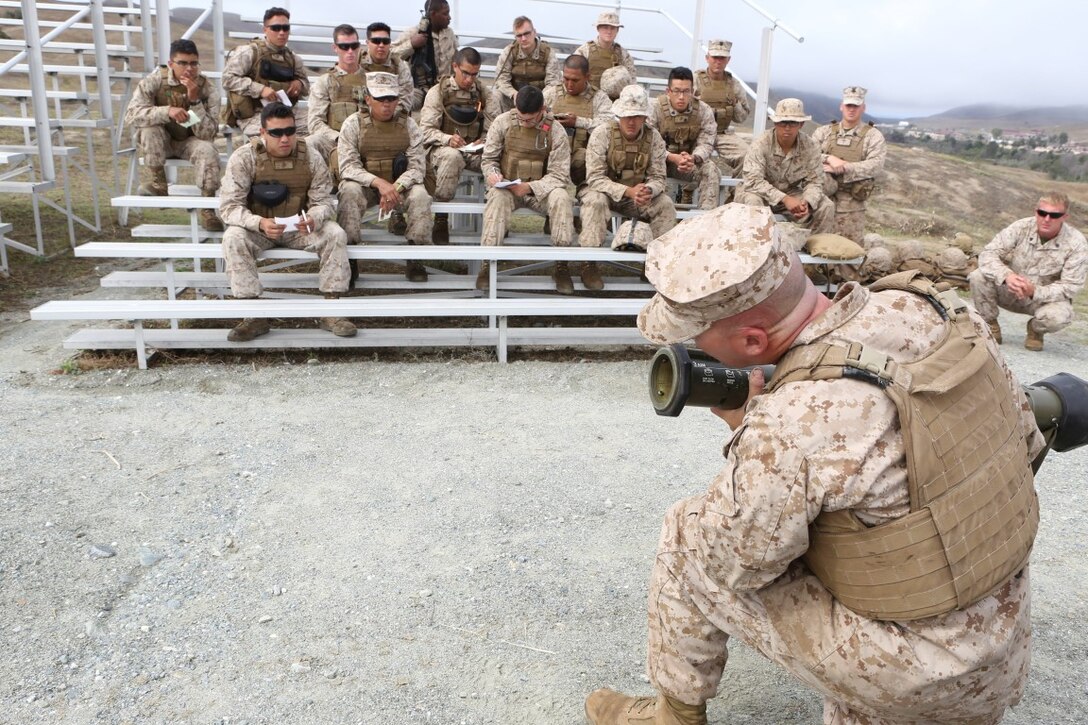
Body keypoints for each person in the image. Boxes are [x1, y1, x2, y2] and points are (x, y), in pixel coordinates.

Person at [586, 202, 1044, 725]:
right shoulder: (937, 311)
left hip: (916, 670)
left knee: (687, 538)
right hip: (1000, 643)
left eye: (695, 335)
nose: (692, 346)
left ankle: (673, 715)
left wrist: (748, 436)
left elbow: (734, 561)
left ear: (753, 340)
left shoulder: (790, 425)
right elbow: (1025, 446)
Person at [219, 102, 353, 342]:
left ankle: (332, 311)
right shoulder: (244, 157)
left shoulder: (310, 156)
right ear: (262, 133)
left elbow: (323, 201)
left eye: (290, 131)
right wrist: (258, 222)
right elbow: (229, 208)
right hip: (260, 228)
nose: (284, 139)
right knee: (232, 237)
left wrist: (314, 217)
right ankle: (253, 315)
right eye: (276, 133)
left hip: (298, 228)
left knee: (335, 234)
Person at [578, 84, 676, 291]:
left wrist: (648, 190)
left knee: (665, 204)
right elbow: (595, 177)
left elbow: (659, 177)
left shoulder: (653, 138)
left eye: (637, 116)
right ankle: (589, 263)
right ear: (619, 115)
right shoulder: (602, 133)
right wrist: (627, 191)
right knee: (594, 201)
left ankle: (654, 264)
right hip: (605, 192)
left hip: (638, 196)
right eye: (627, 116)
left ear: (644, 117)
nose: (631, 121)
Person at [338, 72, 434, 283]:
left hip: (399, 185)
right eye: (380, 98)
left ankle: (415, 257)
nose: (386, 104)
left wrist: (396, 187)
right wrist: (380, 184)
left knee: (420, 196)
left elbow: (417, 168)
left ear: (398, 100)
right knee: (349, 191)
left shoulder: (409, 125)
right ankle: (349, 257)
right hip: (366, 185)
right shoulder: (353, 124)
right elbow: (347, 167)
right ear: (368, 98)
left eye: (391, 98)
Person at [478, 85, 574, 293]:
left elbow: (559, 174)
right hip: (508, 188)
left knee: (561, 197)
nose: (524, 123)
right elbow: (489, 159)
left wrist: (530, 187)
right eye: (521, 118)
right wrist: (494, 175)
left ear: (542, 109)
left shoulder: (556, 131)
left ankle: (561, 264)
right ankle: (487, 264)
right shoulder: (502, 122)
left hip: (539, 190)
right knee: (496, 199)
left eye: (529, 119)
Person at [969, 191, 1088, 351]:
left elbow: (1071, 285)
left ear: (1064, 217)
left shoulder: (1077, 243)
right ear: (1036, 211)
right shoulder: (1021, 227)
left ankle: (1035, 330)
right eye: (1042, 213)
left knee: (1060, 317)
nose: (1047, 219)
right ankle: (990, 324)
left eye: (1054, 215)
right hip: (1009, 290)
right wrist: (1007, 276)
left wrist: (1035, 291)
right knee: (978, 276)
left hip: (1042, 300)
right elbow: (988, 254)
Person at [124, 38, 222, 231]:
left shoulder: (207, 89)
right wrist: (166, 111)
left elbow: (208, 133)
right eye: (183, 63)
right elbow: (131, 115)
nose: (189, 68)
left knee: (208, 149)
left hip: (190, 141)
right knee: (149, 130)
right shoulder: (154, 82)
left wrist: (194, 102)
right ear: (171, 64)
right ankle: (159, 185)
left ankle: (208, 210)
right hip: (162, 140)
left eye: (194, 63)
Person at [420, 47, 498, 244]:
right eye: (465, 73)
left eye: (474, 74)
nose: (470, 79)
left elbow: (496, 129)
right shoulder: (438, 93)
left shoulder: (484, 94)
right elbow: (425, 131)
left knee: (495, 160)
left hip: (473, 149)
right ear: (455, 66)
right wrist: (447, 139)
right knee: (451, 157)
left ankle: (495, 217)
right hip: (443, 149)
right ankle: (441, 217)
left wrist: (485, 141)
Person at [736, 98, 834, 233]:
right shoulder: (761, 144)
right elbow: (753, 181)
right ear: (775, 123)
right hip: (758, 194)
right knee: (753, 203)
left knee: (826, 206)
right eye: (783, 122)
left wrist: (807, 202)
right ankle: (755, 247)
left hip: (790, 193)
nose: (787, 128)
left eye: (793, 123)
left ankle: (814, 247)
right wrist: (785, 199)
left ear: (801, 124)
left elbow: (815, 181)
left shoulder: (810, 146)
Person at [810, 86, 887, 242]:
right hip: (821, 203)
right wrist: (828, 158)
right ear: (841, 106)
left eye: (856, 106)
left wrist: (843, 167)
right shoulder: (823, 132)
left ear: (863, 108)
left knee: (848, 254)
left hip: (852, 206)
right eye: (848, 105)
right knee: (814, 247)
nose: (851, 110)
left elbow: (876, 165)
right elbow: (807, 156)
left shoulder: (873, 136)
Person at [222, 7, 310, 138]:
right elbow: (227, 79)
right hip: (254, 114)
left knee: (313, 130)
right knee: (274, 136)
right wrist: (260, 89)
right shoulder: (249, 52)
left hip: (286, 112)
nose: (281, 32)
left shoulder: (293, 58)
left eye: (285, 28)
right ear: (265, 29)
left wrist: (299, 84)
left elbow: (306, 86)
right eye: (276, 28)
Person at [649, 67, 719, 210]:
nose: (681, 96)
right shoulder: (654, 108)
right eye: (676, 91)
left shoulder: (703, 110)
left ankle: (704, 219)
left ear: (692, 91)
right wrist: (671, 157)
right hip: (657, 162)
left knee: (711, 169)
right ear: (668, 91)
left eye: (686, 91)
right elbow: (648, 143)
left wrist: (693, 158)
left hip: (687, 162)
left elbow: (707, 141)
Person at [542, 54, 612, 186]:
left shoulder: (599, 98)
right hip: (552, 154)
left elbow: (608, 126)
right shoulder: (551, 94)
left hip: (584, 159)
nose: (569, 84)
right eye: (566, 79)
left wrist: (578, 122)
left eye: (575, 80)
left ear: (587, 77)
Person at [306, 24, 366, 159]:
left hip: (367, 140)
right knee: (310, 143)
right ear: (335, 48)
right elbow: (315, 122)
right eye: (344, 47)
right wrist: (338, 138)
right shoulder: (325, 82)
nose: (350, 51)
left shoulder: (371, 79)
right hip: (335, 141)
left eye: (354, 46)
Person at [693, 39, 749, 183]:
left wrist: (734, 103)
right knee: (693, 158)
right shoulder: (695, 80)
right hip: (698, 133)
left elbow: (741, 118)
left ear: (728, 60)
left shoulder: (734, 85)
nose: (718, 61)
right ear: (707, 58)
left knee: (749, 157)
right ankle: (687, 192)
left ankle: (735, 195)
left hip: (722, 133)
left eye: (722, 58)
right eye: (714, 57)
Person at [391, 0, 460, 111]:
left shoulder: (449, 34)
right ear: (433, 14)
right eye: (445, 13)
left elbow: (457, 59)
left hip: (445, 88)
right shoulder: (414, 32)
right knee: (401, 106)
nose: (449, 17)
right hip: (420, 90)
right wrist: (412, 44)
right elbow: (391, 55)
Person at [491, 16, 562, 115]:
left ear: (534, 32)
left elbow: (553, 83)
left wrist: (538, 99)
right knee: (495, 95)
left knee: (556, 95)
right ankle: (493, 128)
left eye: (527, 33)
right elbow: (501, 79)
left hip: (541, 99)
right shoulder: (509, 52)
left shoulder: (548, 53)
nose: (523, 39)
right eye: (519, 35)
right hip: (515, 98)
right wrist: (514, 94)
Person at [573, 11, 637, 100]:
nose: (609, 31)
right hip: (588, 100)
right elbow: (573, 77)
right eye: (605, 28)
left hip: (614, 103)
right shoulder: (584, 51)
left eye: (613, 28)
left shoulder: (623, 55)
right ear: (598, 29)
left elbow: (631, 83)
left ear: (617, 30)